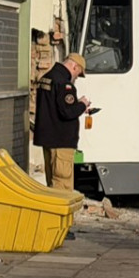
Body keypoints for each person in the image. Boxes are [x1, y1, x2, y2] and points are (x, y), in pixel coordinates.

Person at [33, 52, 89, 191]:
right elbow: (67, 112)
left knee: (52, 184)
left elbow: (54, 107)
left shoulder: (46, 78)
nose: (76, 77)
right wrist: (82, 104)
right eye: (78, 73)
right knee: (61, 186)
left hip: (48, 140)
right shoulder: (64, 84)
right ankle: (61, 214)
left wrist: (76, 106)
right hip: (61, 143)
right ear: (74, 66)